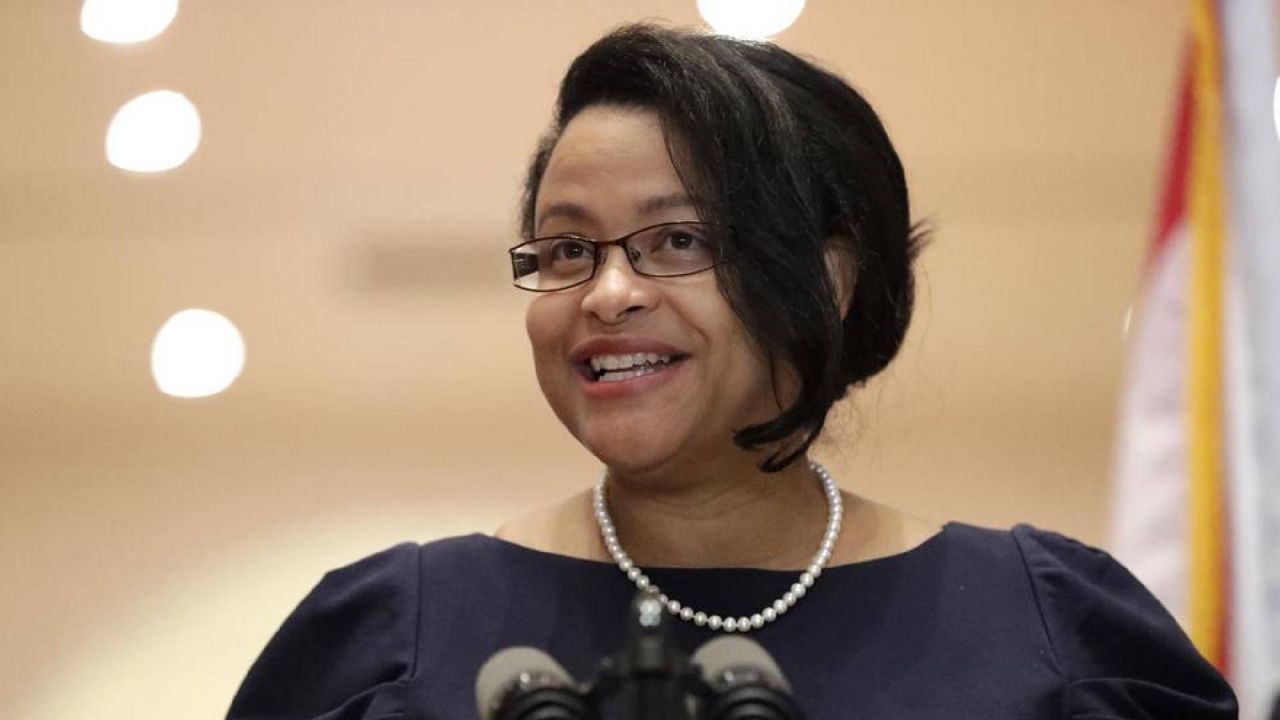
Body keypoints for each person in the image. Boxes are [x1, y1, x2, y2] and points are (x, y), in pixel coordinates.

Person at [225, 23, 1237, 720]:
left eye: (673, 242)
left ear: (829, 277)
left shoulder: (1045, 629)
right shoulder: (392, 642)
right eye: (567, 249)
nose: (605, 292)